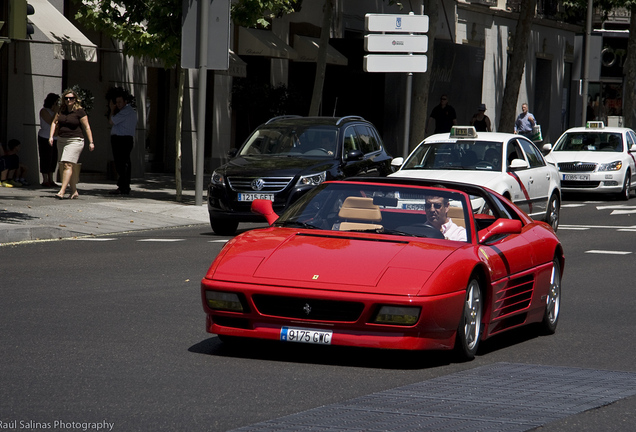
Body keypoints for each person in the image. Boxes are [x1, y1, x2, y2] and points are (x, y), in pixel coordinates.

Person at [49, 88, 96, 200]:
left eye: (71, 98)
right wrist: (51, 136)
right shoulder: (61, 110)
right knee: (65, 166)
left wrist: (91, 142)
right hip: (61, 140)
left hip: (75, 140)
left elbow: (87, 127)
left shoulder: (80, 111)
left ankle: (62, 191)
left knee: (67, 165)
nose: (68, 100)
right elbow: (54, 122)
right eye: (66, 98)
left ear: (75, 99)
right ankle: (74, 191)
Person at [108, 92, 137, 195]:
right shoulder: (129, 111)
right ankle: (123, 186)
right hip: (123, 139)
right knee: (123, 163)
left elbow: (112, 121)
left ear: (126, 101)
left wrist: (112, 109)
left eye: (120, 102)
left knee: (121, 163)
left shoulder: (126, 111)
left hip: (122, 140)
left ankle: (123, 186)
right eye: (117, 102)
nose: (118, 104)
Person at [38, 93, 60, 187]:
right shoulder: (44, 111)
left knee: (53, 158)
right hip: (45, 137)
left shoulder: (58, 112)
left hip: (55, 138)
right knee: (45, 157)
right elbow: (52, 122)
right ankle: (45, 179)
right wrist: (56, 112)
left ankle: (51, 179)